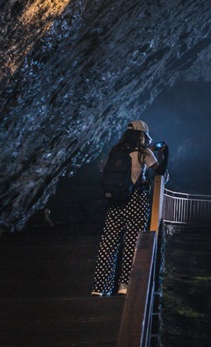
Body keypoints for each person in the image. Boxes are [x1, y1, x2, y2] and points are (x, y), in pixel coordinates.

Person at [91, 120, 160, 296]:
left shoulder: (115, 151)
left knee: (108, 244)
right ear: (142, 135)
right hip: (135, 201)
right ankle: (124, 285)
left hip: (115, 202)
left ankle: (100, 287)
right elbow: (159, 171)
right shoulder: (144, 152)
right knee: (131, 243)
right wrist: (163, 154)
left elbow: (102, 170)